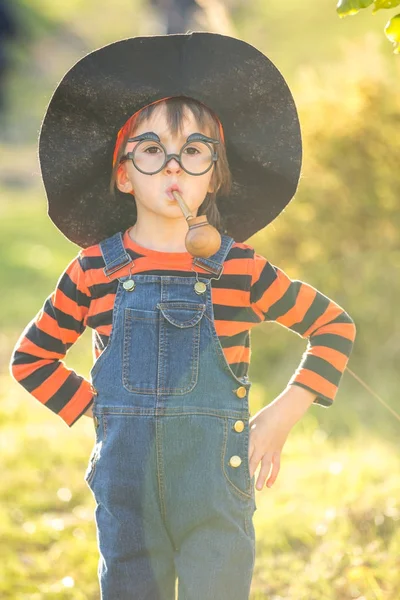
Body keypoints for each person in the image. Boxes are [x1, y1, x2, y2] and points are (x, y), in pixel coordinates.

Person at [9, 33, 356, 600]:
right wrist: (102, 413)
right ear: (123, 174)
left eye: (194, 151)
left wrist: (281, 417)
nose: (173, 165)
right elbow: (31, 358)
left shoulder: (240, 269)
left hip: (215, 496)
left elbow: (333, 327)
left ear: (215, 175)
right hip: (127, 499)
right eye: (151, 149)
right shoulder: (95, 269)